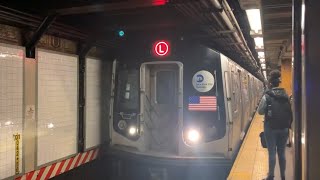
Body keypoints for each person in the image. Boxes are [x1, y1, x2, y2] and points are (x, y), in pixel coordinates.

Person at [258, 70, 293, 180]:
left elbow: (260, 111)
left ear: (270, 83)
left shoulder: (267, 96)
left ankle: (271, 176)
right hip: (284, 128)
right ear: (279, 82)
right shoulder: (286, 95)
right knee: (281, 152)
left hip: (270, 128)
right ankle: (283, 177)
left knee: (272, 152)